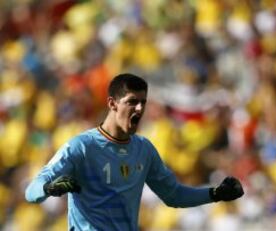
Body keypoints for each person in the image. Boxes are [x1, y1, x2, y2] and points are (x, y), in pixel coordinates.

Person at [25, 73, 244, 231]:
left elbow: (173, 195)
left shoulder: (144, 150)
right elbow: (31, 191)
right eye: (132, 102)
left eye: (143, 103)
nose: (139, 109)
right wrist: (49, 188)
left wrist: (215, 194)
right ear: (112, 103)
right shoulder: (81, 147)